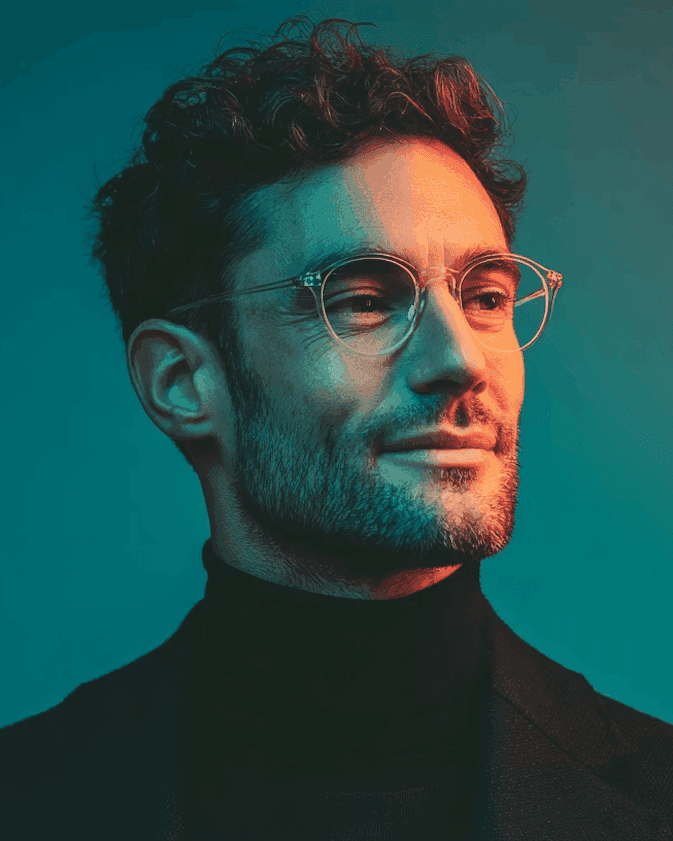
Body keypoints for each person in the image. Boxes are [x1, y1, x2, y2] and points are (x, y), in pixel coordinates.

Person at [1, 16, 671, 840]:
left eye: (485, 296)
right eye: (362, 300)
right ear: (182, 383)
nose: (460, 360)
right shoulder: (32, 795)